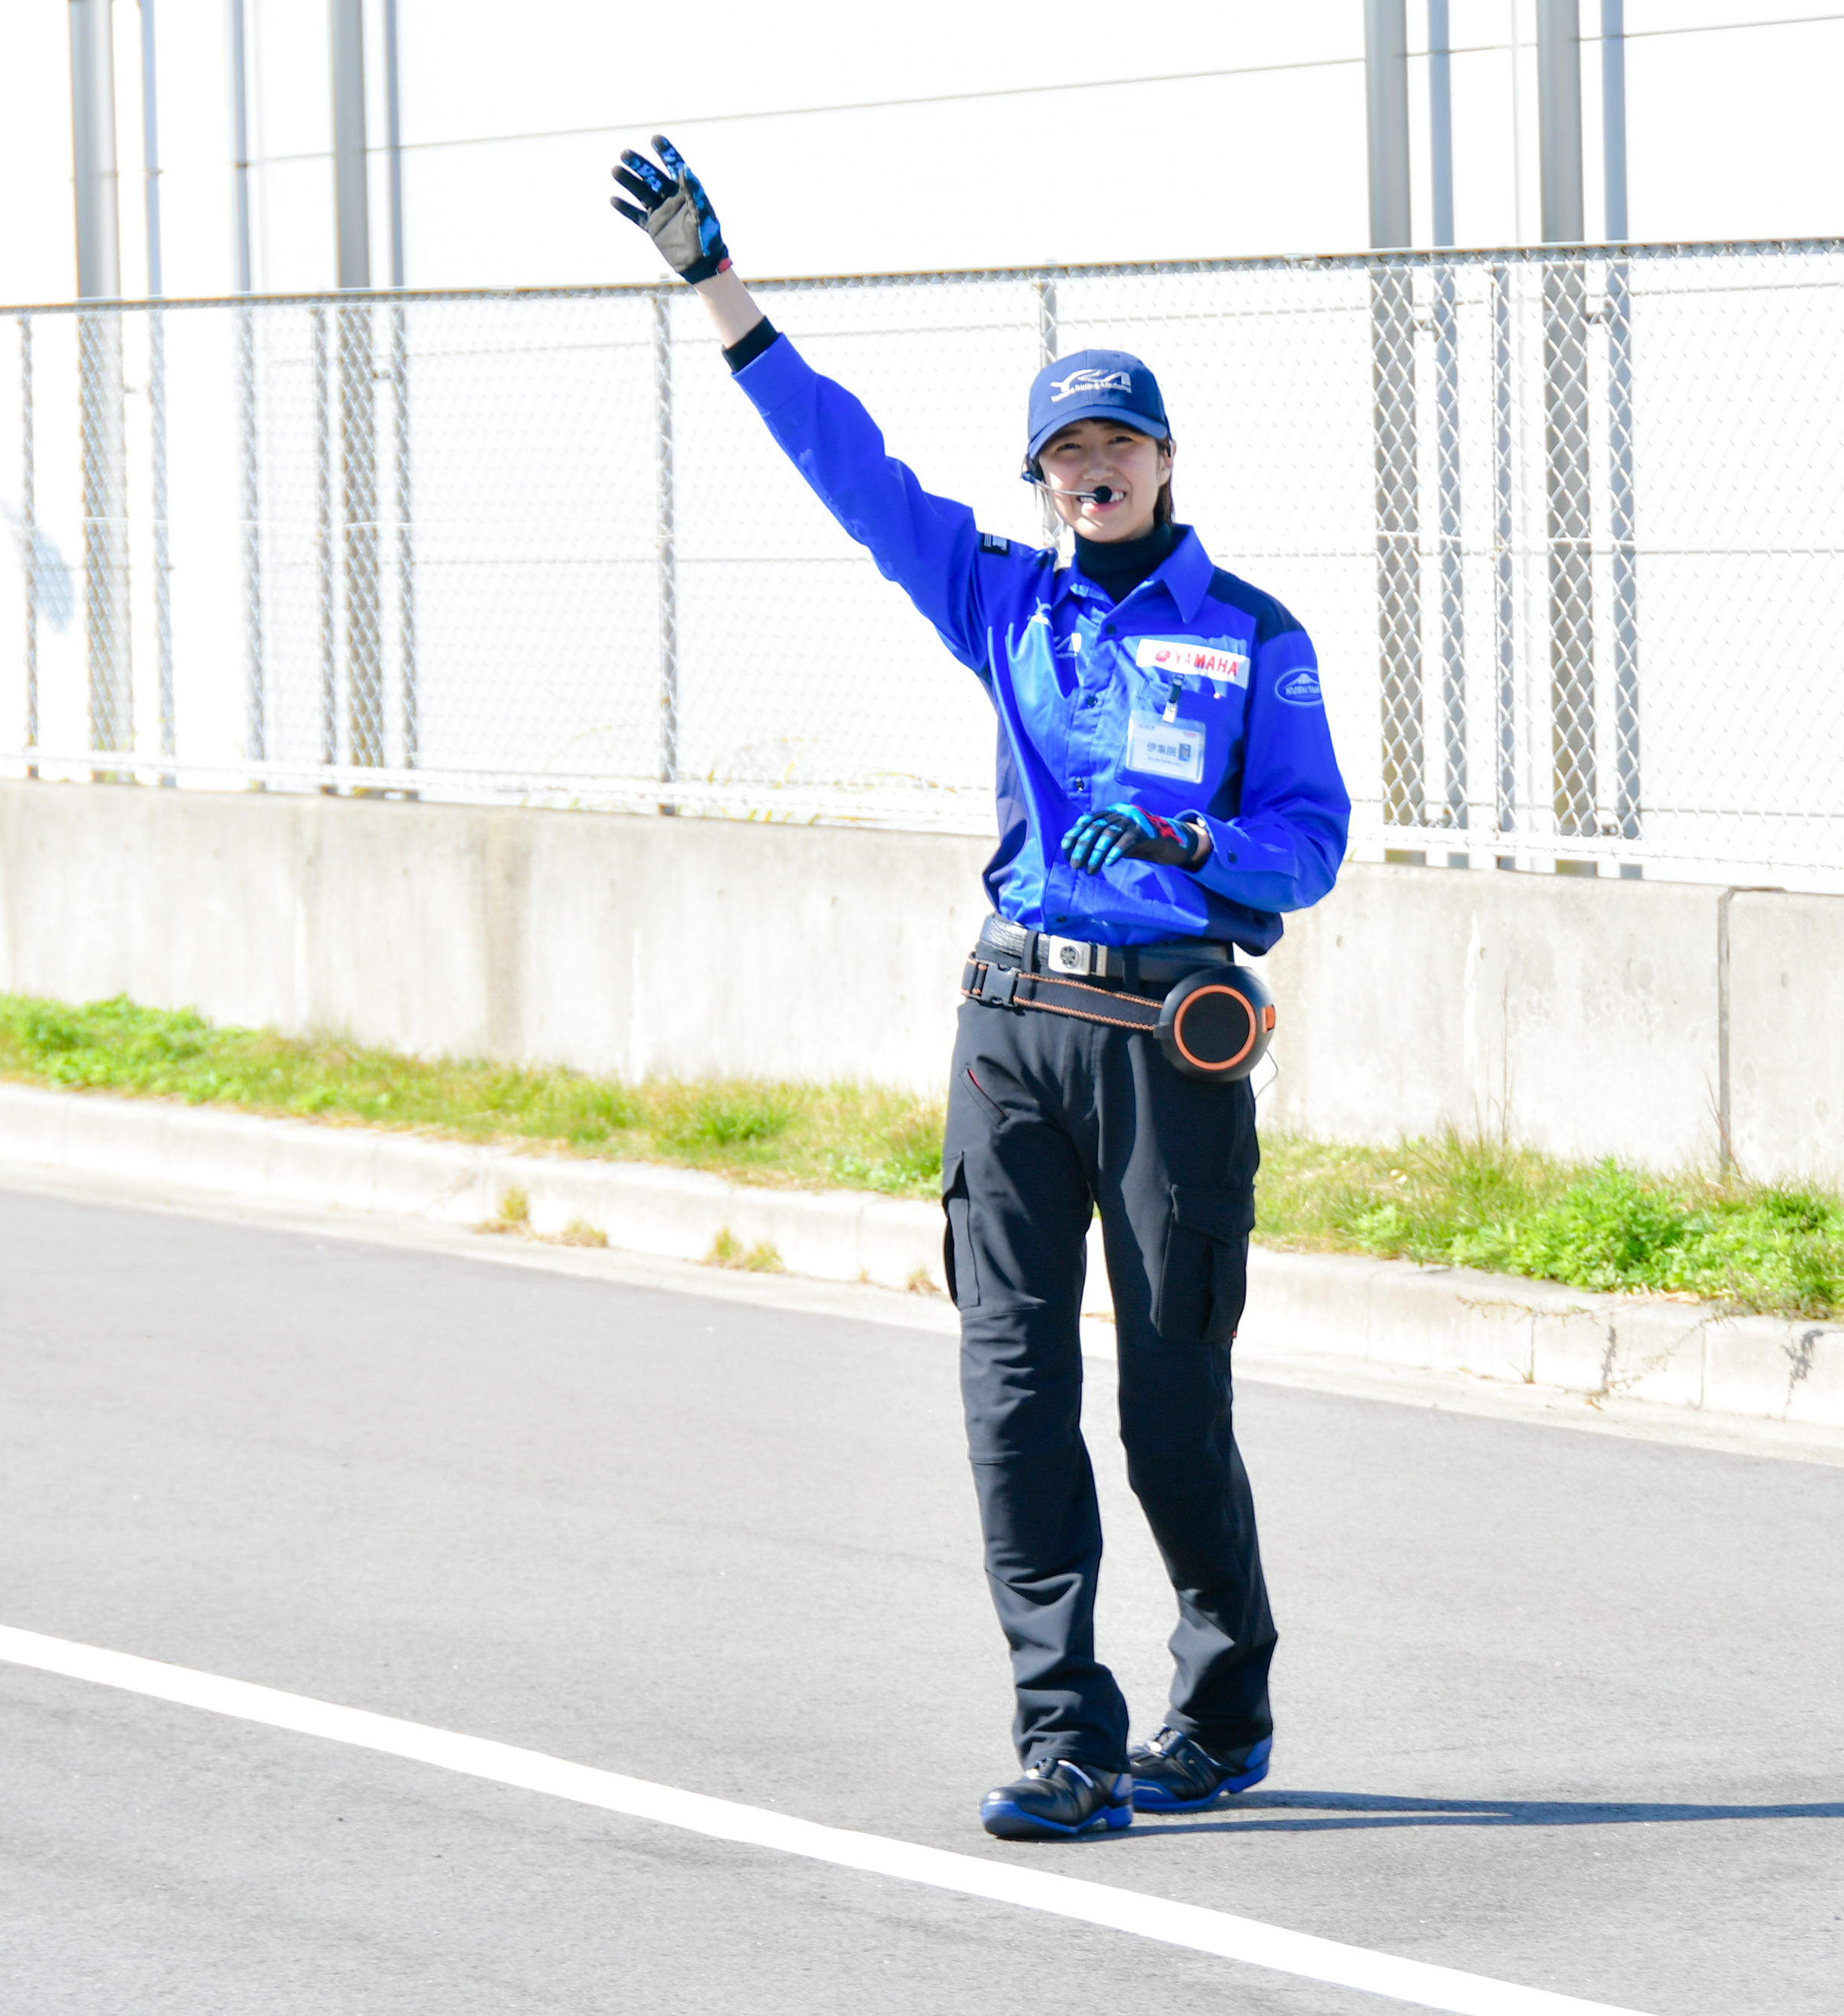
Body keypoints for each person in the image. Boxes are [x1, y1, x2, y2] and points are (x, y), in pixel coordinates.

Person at [611, 138, 1350, 1841]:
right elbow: (849, 471)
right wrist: (723, 295)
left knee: (1172, 1400)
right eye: (1064, 453)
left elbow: (1306, 846)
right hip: (1013, 1028)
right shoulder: (1000, 601)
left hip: (1170, 1039)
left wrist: (1187, 831)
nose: (1090, 471)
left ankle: (1220, 1700)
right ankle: (1063, 1733)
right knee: (1009, 1385)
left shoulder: (1252, 632)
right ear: (1040, 479)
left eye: (1116, 445)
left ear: (1164, 461)